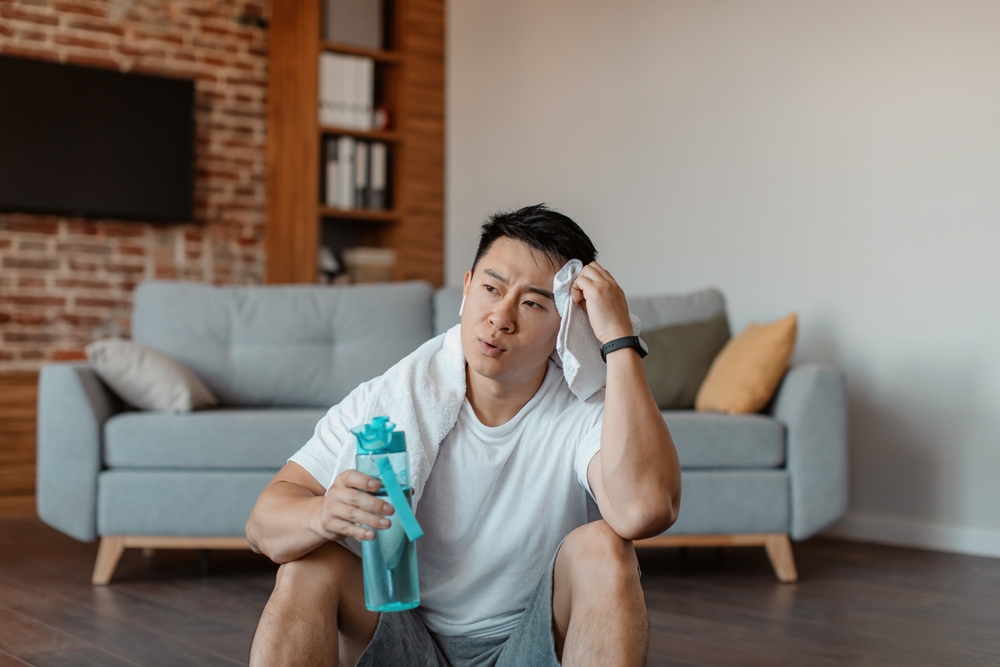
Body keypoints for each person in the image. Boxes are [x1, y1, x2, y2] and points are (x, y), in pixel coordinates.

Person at [246, 204, 681, 667]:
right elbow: (262, 526)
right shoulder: (393, 399)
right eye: (491, 289)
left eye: (533, 304)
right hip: (403, 635)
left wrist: (617, 340)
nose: (500, 317)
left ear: (567, 324)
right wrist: (322, 515)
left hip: (529, 643)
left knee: (605, 548)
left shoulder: (584, 406)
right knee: (307, 566)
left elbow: (644, 511)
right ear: (468, 286)